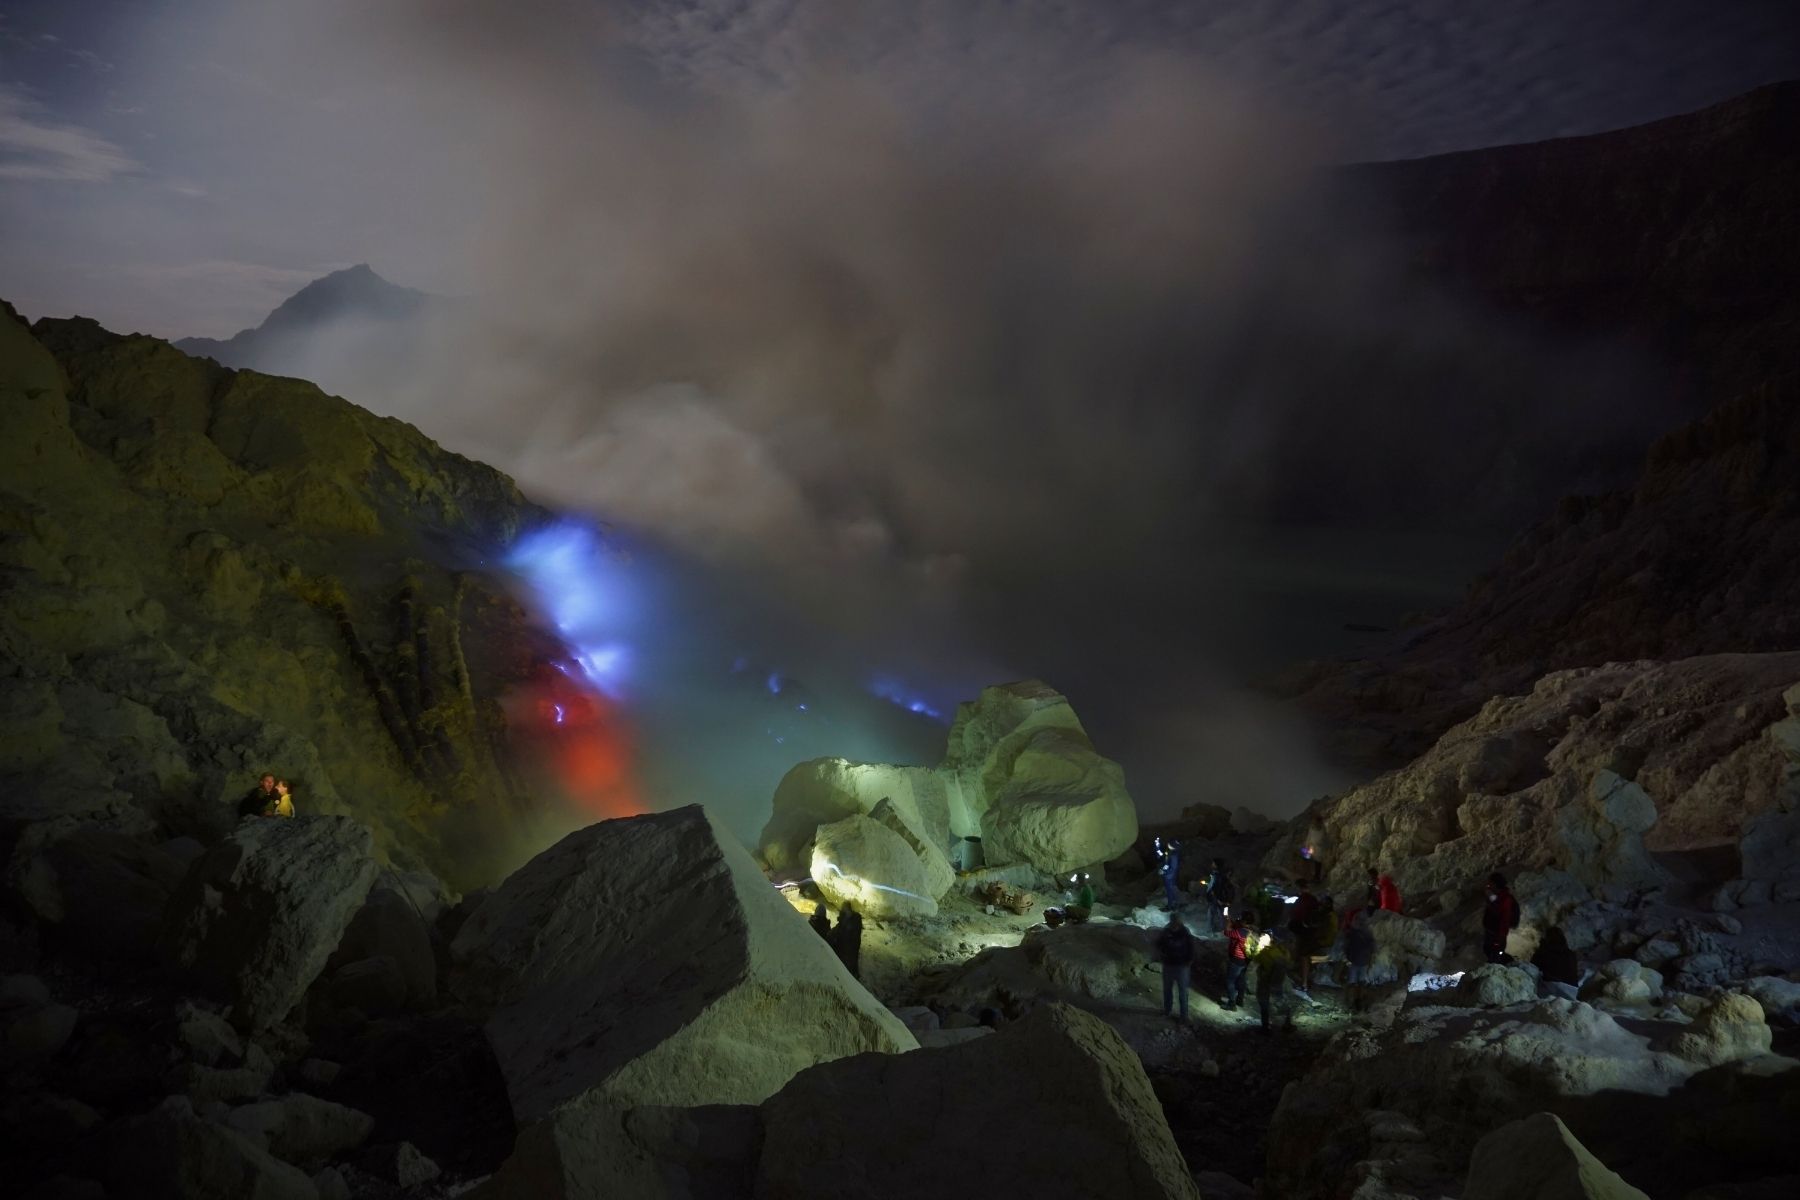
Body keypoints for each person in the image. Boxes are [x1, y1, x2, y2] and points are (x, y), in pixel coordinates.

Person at [1253, 928, 1296, 1034]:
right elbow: (1289, 965)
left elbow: (1256, 959)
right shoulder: (1284, 952)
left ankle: (1266, 1027)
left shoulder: (1267, 953)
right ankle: (1286, 1024)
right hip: (1279, 982)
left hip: (1266, 981)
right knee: (1281, 1002)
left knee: (1264, 1004)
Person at [1156, 913, 1196, 1021]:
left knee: (1183, 992)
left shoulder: (1185, 933)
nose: (1175, 922)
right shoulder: (1166, 932)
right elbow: (1159, 944)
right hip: (1169, 965)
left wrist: (1189, 962)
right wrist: (1162, 956)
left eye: (1177, 920)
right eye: (1173, 920)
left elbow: (1191, 948)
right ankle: (1167, 1011)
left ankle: (1184, 1016)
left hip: (1182, 967)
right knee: (1167, 990)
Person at [1532, 925, 1581, 1000]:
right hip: (1572, 992)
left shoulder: (1544, 953)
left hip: (1552, 991)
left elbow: (1532, 968)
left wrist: (1541, 948)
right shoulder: (1570, 954)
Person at [1341, 907, 1376, 1012]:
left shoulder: (1353, 933)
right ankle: (1357, 1002)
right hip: (1362, 960)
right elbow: (1372, 947)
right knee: (1360, 983)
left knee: (1353, 983)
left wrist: (1347, 957)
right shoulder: (1367, 933)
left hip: (1355, 960)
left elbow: (1346, 946)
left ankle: (1351, 1002)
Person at [1482, 872, 1519, 964]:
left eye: (1490, 883)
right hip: (1492, 931)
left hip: (1497, 933)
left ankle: (1505, 965)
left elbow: (1504, 919)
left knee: (1495, 953)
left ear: (1495, 884)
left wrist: (1501, 937)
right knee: (1488, 950)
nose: (1488, 885)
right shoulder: (1497, 896)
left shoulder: (1505, 899)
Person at [1222, 915, 1251, 1010]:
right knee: (1241, 980)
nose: (1240, 921)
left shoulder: (1240, 932)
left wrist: (1228, 924)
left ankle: (1232, 1004)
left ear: (1245, 921)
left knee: (1230, 981)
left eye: (1242, 920)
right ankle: (1240, 1000)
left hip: (1236, 960)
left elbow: (1227, 933)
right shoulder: (1250, 931)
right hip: (1245, 960)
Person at [831, 902, 864, 979]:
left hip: (847, 946)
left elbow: (841, 931)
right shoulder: (856, 918)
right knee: (852, 960)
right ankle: (853, 974)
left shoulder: (850, 919)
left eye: (843, 908)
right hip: (853, 945)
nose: (842, 909)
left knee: (847, 962)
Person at [1203, 858, 1235, 935]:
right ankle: (1221, 931)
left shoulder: (1217, 876)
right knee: (1220, 915)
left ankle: (1214, 931)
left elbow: (1216, 889)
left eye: (1213, 863)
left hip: (1217, 900)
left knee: (1214, 915)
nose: (1212, 864)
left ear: (1216, 865)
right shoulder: (1220, 875)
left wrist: (1217, 899)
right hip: (1221, 900)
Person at [1155, 836, 1184, 910]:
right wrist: (1157, 847)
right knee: (1170, 890)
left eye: (1169, 843)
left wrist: (1164, 871)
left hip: (1170, 876)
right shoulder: (1170, 852)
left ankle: (1171, 906)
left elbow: (1172, 867)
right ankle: (1173, 904)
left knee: (1170, 890)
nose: (1168, 844)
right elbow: (1162, 856)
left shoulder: (1174, 855)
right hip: (1169, 875)